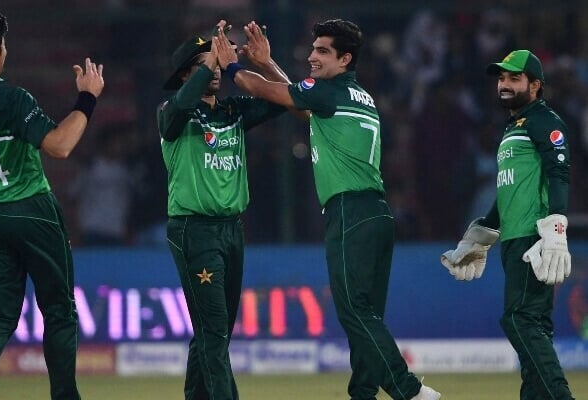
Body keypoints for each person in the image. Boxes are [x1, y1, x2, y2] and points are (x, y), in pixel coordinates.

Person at [214, 19, 440, 400]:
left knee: (354, 311)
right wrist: (268, 62)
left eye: (322, 51)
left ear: (345, 58)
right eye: (313, 48)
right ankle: (363, 394)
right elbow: (302, 106)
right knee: (365, 317)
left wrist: (231, 66)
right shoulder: (355, 95)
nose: (311, 56)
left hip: (350, 212)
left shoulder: (327, 92)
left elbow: (260, 90)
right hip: (377, 214)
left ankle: (411, 392)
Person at [0, 7, 104, 400]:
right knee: (59, 312)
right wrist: (87, 98)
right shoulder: (13, 99)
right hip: (31, 211)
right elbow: (60, 146)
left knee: (0, 311)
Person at [158, 20, 290, 400]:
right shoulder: (173, 113)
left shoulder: (232, 111)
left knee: (214, 333)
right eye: (206, 64)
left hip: (231, 230)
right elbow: (178, 107)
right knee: (214, 333)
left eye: (217, 64)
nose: (216, 70)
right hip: (193, 231)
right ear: (187, 73)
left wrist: (266, 64)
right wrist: (209, 63)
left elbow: (288, 98)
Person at [441, 49, 574, 399]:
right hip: (514, 239)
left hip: (535, 237)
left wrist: (556, 226)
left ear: (535, 84)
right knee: (534, 327)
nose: (504, 84)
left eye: (514, 78)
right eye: (501, 78)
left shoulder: (544, 120)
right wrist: (484, 231)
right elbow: (509, 191)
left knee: (519, 321)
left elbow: (560, 171)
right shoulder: (514, 127)